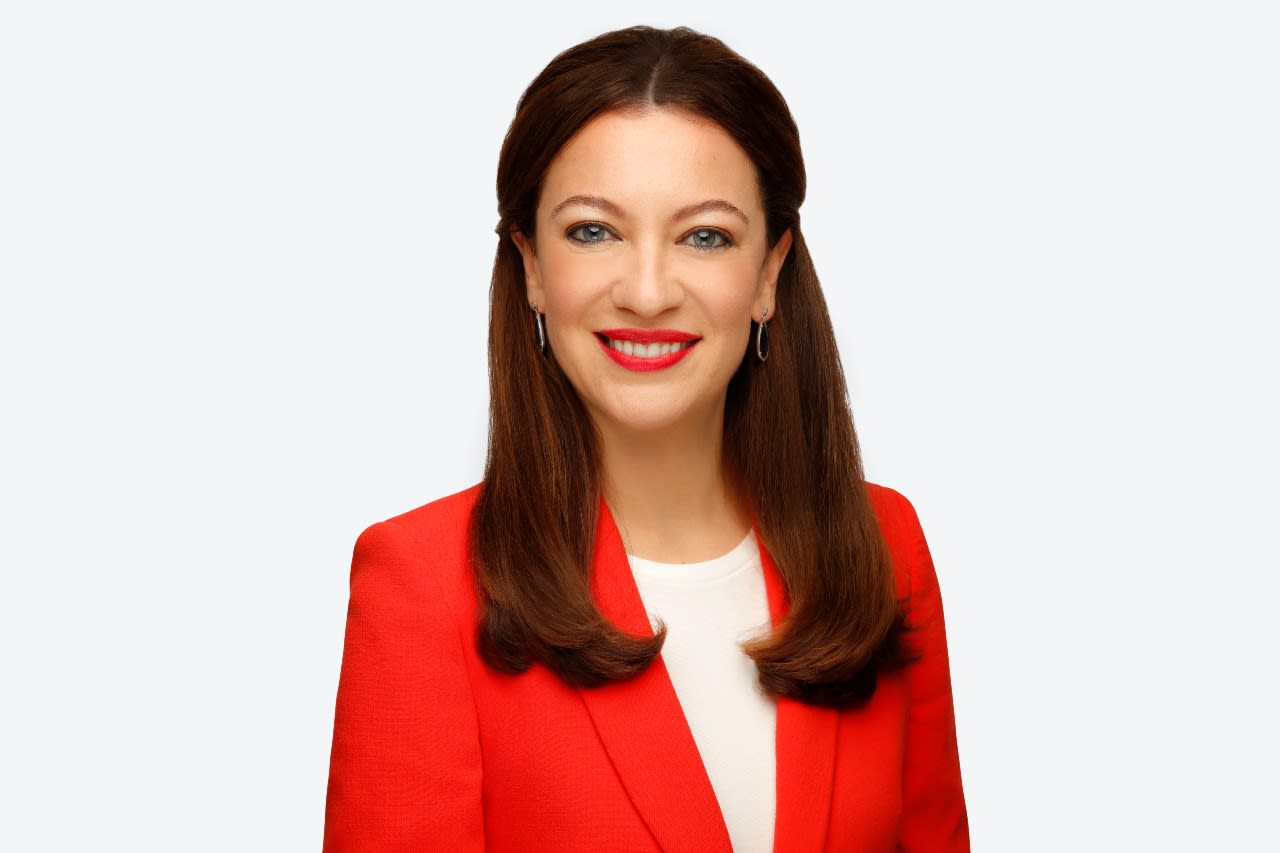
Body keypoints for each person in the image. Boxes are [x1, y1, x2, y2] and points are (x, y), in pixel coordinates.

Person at [323, 25, 968, 852]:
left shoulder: (886, 549)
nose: (649, 290)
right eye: (594, 230)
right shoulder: (420, 584)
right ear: (530, 267)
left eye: (706, 236)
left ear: (770, 273)